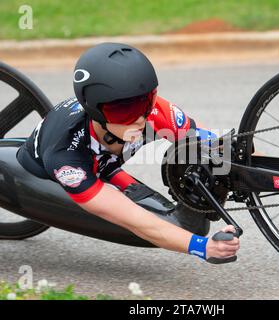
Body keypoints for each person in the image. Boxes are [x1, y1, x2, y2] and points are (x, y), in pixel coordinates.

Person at [17, 42, 240, 263]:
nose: (141, 119)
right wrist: (204, 248)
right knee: (172, 225)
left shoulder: (151, 112)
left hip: (107, 164)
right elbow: (135, 221)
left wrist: (249, 163)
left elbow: (216, 143)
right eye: (125, 111)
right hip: (46, 170)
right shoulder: (67, 158)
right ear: (97, 111)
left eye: (147, 101)